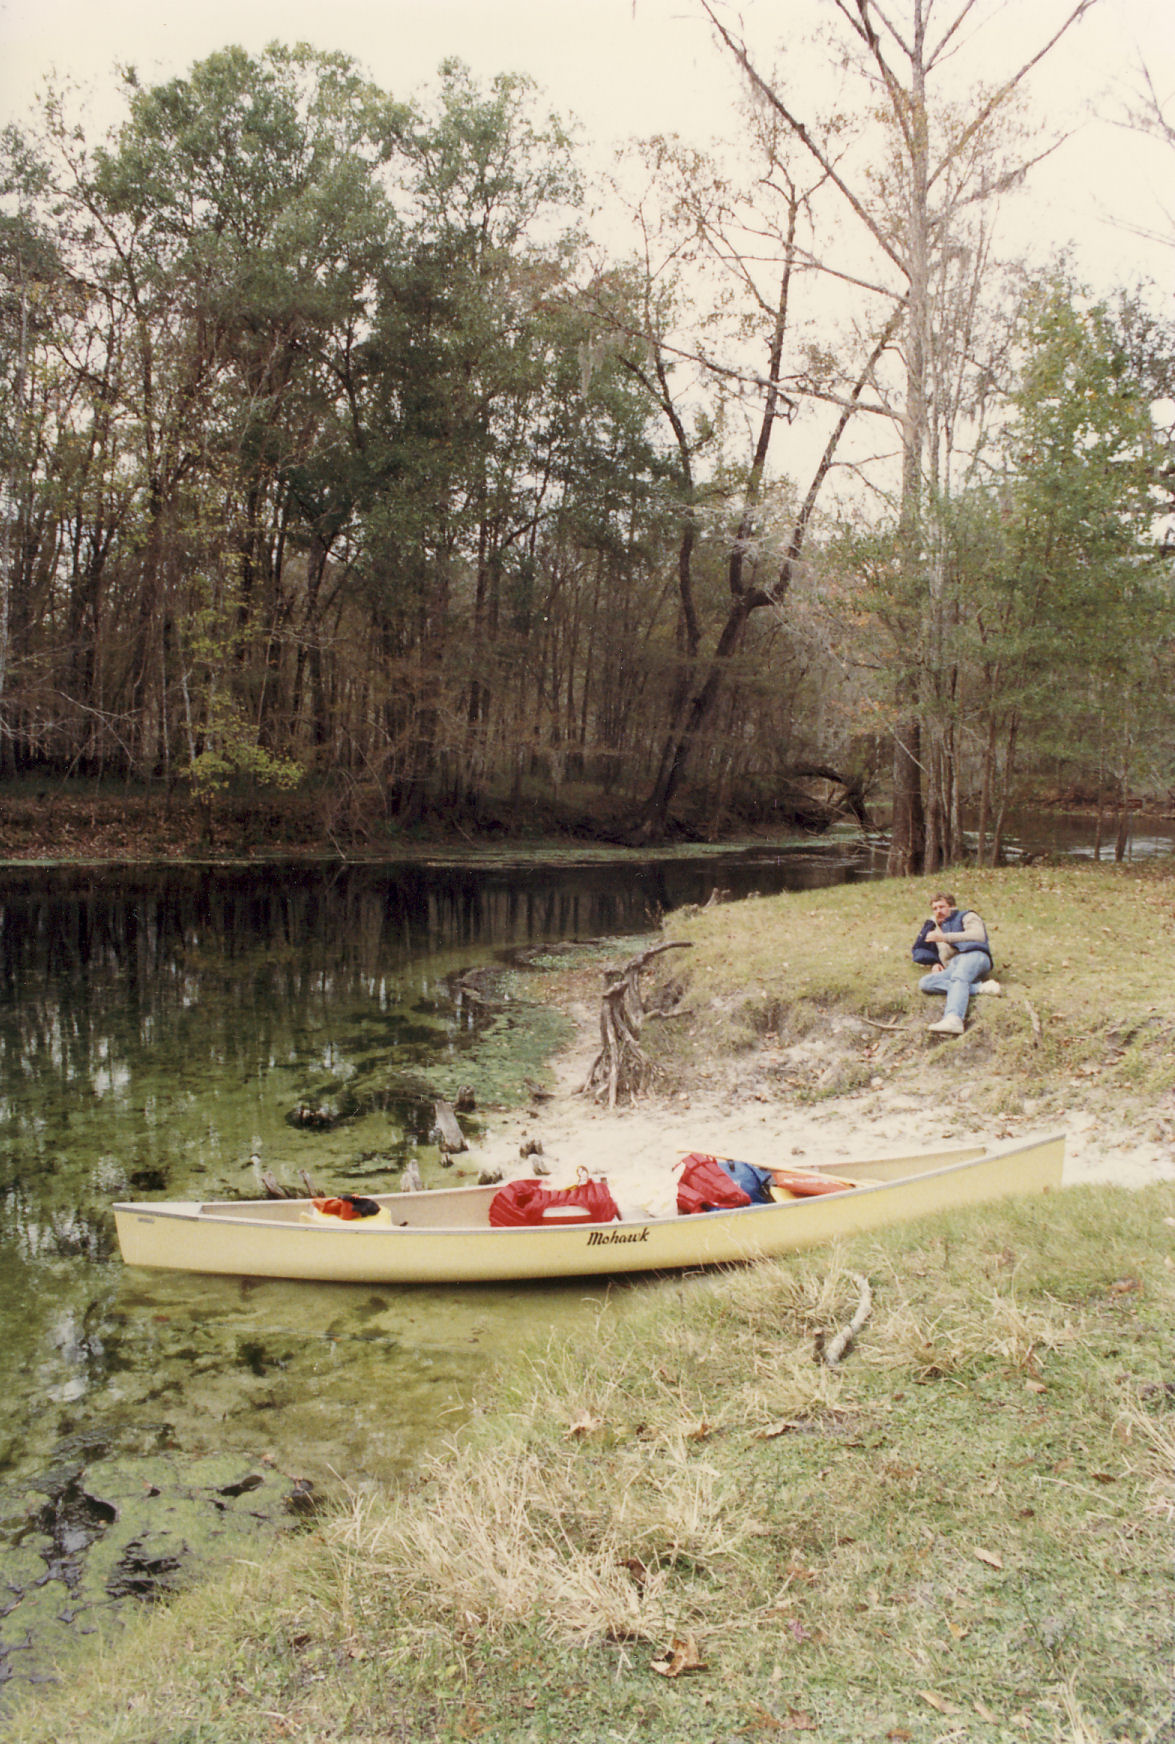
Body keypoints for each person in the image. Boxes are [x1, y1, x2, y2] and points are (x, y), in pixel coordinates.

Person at [912, 891, 1002, 1035]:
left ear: (952, 906)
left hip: (975, 956)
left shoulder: (967, 916)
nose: (938, 911)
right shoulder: (934, 925)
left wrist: (944, 937)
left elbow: (978, 935)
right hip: (954, 965)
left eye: (941, 907)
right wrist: (934, 962)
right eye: (935, 908)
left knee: (959, 977)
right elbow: (921, 948)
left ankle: (954, 1019)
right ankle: (981, 988)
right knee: (926, 983)